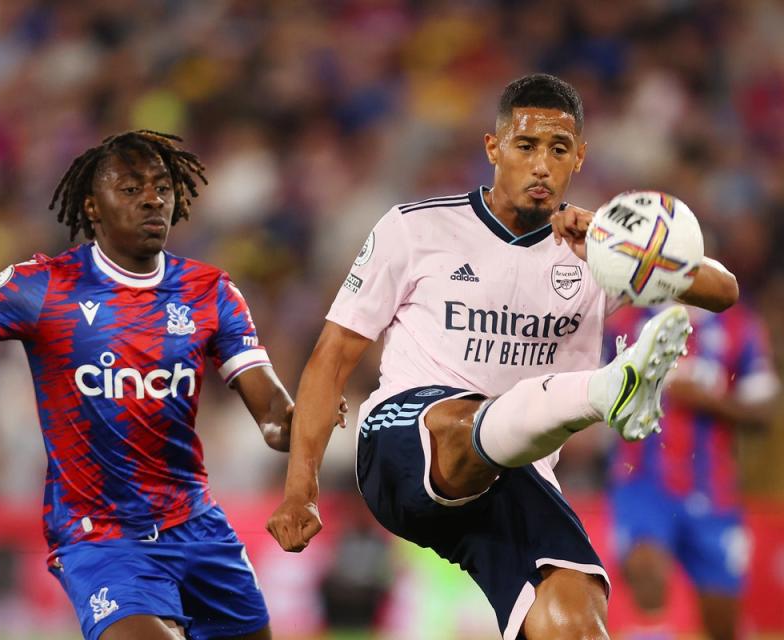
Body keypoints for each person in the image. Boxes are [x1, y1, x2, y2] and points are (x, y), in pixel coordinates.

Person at [266, 73, 740, 640]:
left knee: (575, 616)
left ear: (580, 159)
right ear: (494, 149)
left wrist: (609, 241)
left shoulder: (601, 252)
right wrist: (301, 490)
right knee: (464, 418)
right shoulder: (415, 230)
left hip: (517, 472)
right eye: (526, 146)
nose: (542, 165)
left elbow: (722, 290)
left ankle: (607, 391)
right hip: (403, 446)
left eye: (559, 149)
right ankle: (605, 392)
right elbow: (331, 358)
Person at [0, 130, 344, 640]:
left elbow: (276, 422)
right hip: (100, 538)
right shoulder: (42, 286)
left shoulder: (210, 292)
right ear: (92, 206)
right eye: (130, 189)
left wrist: (310, 416)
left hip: (197, 528)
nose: (152, 199)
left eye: (163, 187)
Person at [606, 302, 779, 640]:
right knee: (646, 574)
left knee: (722, 624)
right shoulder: (629, 322)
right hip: (644, 484)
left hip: (713, 492)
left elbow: (765, 409)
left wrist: (709, 401)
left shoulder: (738, 327)